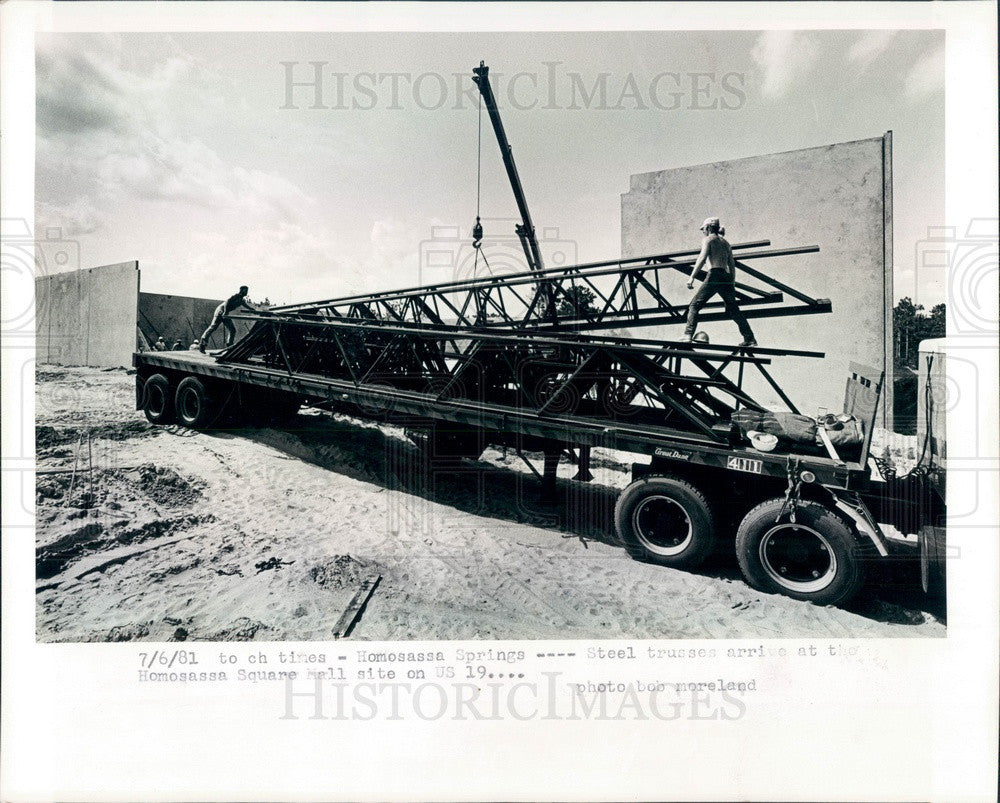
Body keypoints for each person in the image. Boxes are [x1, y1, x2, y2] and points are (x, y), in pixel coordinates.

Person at [683, 217, 757, 347]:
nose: (703, 231)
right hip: (726, 277)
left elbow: (702, 257)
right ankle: (749, 338)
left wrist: (692, 277)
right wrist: (731, 284)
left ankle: (688, 335)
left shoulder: (708, 240)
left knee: (694, 305)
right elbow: (732, 265)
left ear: (708, 228)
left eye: (704, 229)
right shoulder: (726, 243)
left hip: (715, 275)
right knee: (734, 310)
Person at [200, 286, 255, 352]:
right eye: (245, 290)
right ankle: (203, 343)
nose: (246, 292)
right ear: (241, 290)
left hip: (226, 313)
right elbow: (227, 302)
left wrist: (253, 310)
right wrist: (225, 312)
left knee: (232, 329)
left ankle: (229, 345)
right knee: (214, 326)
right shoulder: (236, 296)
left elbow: (247, 306)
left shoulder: (241, 300)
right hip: (221, 311)